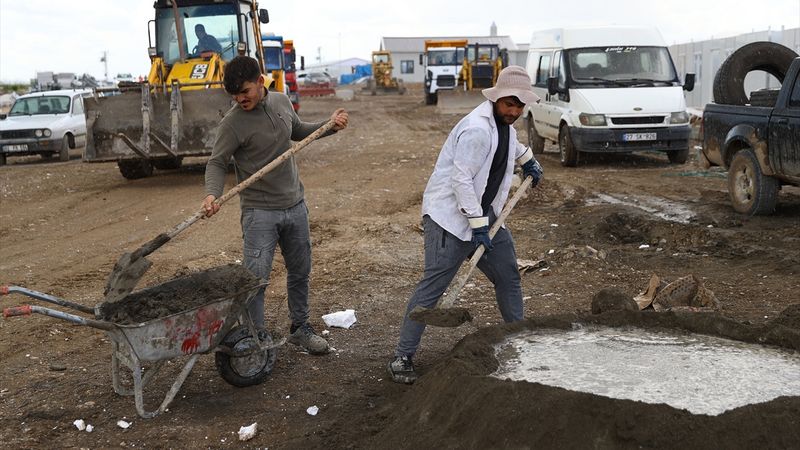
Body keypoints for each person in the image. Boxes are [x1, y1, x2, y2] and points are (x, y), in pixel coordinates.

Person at [387, 65, 543, 384]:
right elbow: (462, 179)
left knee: (508, 275)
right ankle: (402, 357)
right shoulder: (477, 130)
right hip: (450, 220)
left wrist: (527, 159)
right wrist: (477, 224)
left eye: (519, 106)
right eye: (509, 104)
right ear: (497, 98)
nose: (514, 111)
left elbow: (509, 143)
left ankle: (519, 338)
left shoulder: (504, 126)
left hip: (486, 216)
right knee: (433, 287)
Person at [202, 56, 349, 355]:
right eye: (234, 94)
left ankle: (300, 329)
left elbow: (297, 130)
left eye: (245, 91)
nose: (239, 99)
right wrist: (211, 194)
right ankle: (257, 339)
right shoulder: (232, 123)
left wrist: (329, 126)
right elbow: (217, 163)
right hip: (259, 213)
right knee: (255, 281)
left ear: (260, 82)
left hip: (295, 205)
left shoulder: (282, 101)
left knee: (300, 271)